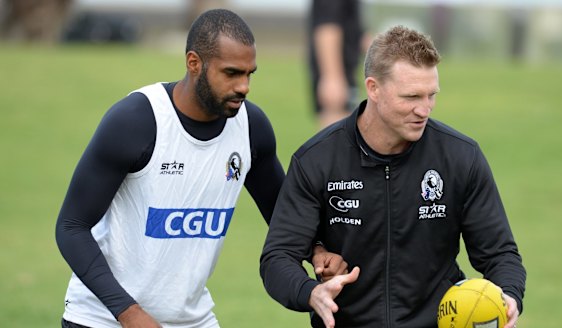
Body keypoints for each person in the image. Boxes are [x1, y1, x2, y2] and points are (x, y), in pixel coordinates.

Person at [55, 9, 346, 328]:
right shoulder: (136, 121)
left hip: (191, 320)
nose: (244, 87)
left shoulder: (251, 128)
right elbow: (72, 227)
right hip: (102, 318)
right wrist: (128, 312)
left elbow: (285, 216)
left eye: (249, 74)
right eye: (232, 73)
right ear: (194, 63)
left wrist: (316, 250)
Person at [260, 25, 526, 328]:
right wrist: (312, 293)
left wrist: (509, 296)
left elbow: (500, 254)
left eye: (431, 95)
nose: (424, 109)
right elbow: (278, 258)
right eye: (411, 96)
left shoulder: (460, 157)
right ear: (373, 88)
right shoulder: (317, 161)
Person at [308, 0, 367, 129]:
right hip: (338, 77)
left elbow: (357, 33)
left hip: (346, 75)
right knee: (338, 140)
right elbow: (327, 27)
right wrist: (332, 77)